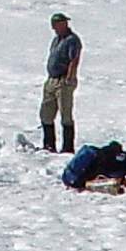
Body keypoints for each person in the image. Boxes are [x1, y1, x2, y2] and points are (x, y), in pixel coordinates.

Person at [40, 11, 82, 153]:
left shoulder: (72, 40)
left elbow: (74, 59)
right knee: (46, 113)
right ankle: (49, 144)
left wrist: (70, 77)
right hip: (52, 79)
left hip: (63, 80)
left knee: (65, 114)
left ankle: (68, 147)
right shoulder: (56, 40)